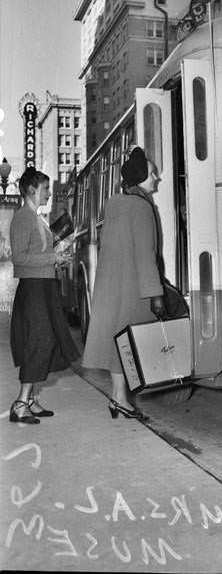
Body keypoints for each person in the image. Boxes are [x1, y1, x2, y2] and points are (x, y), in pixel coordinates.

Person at [81, 146, 166, 420]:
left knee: (119, 342)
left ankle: (119, 398)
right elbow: (145, 254)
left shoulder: (114, 202)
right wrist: (156, 294)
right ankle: (120, 399)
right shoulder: (142, 207)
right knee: (131, 342)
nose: (157, 179)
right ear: (141, 177)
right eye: (153, 174)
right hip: (135, 289)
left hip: (112, 285)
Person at [9, 167, 80, 424]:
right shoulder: (23, 218)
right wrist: (53, 257)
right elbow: (18, 257)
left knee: (47, 341)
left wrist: (59, 256)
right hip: (34, 289)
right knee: (40, 340)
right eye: (46, 189)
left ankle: (30, 399)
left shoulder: (36, 218)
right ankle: (21, 402)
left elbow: (38, 254)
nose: (49, 194)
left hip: (45, 286)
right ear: (32, 189)